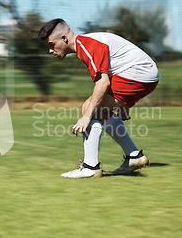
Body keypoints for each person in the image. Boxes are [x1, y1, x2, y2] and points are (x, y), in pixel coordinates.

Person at [37, 19, 159, 178]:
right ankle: (134, 157)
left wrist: (86, 117)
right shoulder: (86, 44)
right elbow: (119, 63)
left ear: (64, 39)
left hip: (139, 74)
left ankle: (90, 167)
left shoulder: (87, 45)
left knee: (89, 109)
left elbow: (103, 83)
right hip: (144, 74)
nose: (51, 50)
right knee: (98, 110)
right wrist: (125, 105)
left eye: (52, 45)